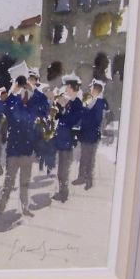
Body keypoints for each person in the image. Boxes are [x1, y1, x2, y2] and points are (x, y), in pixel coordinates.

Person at [0, 64, 41, 218]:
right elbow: (5, 108)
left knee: (25, 183)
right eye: (23, 86)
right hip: (14, 150)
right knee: (9, 182)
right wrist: (13, 90)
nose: (24, 89)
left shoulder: (33, 104)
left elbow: (41, 109)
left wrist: (32, 89)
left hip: (27, 150)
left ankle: (25, 207)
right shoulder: (14, 102)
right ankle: (1, 206)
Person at [52, 74, 84, 203]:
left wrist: (64, 109)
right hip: (61, 140)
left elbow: (73, 121)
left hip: (68, 141)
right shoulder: (69, 102)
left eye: (67, 87)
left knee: (63, 170)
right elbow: (58, 117)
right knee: (61, 170)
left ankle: (63, 194)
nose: (65, 89)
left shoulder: (77, 104)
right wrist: (58, 107)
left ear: (71, 87)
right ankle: (62, 192)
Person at [73, 79, 109, 190]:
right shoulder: (87, 99)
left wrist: (86, 112)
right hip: (84, 133)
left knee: (90, 158)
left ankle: (89, 180)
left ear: (96, 90)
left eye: (92, 89)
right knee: (83, 157)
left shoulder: (100, 103)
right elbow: (81, 113)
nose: (90, 90)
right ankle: (81, 177)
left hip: (92, 134)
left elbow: (97, 119)